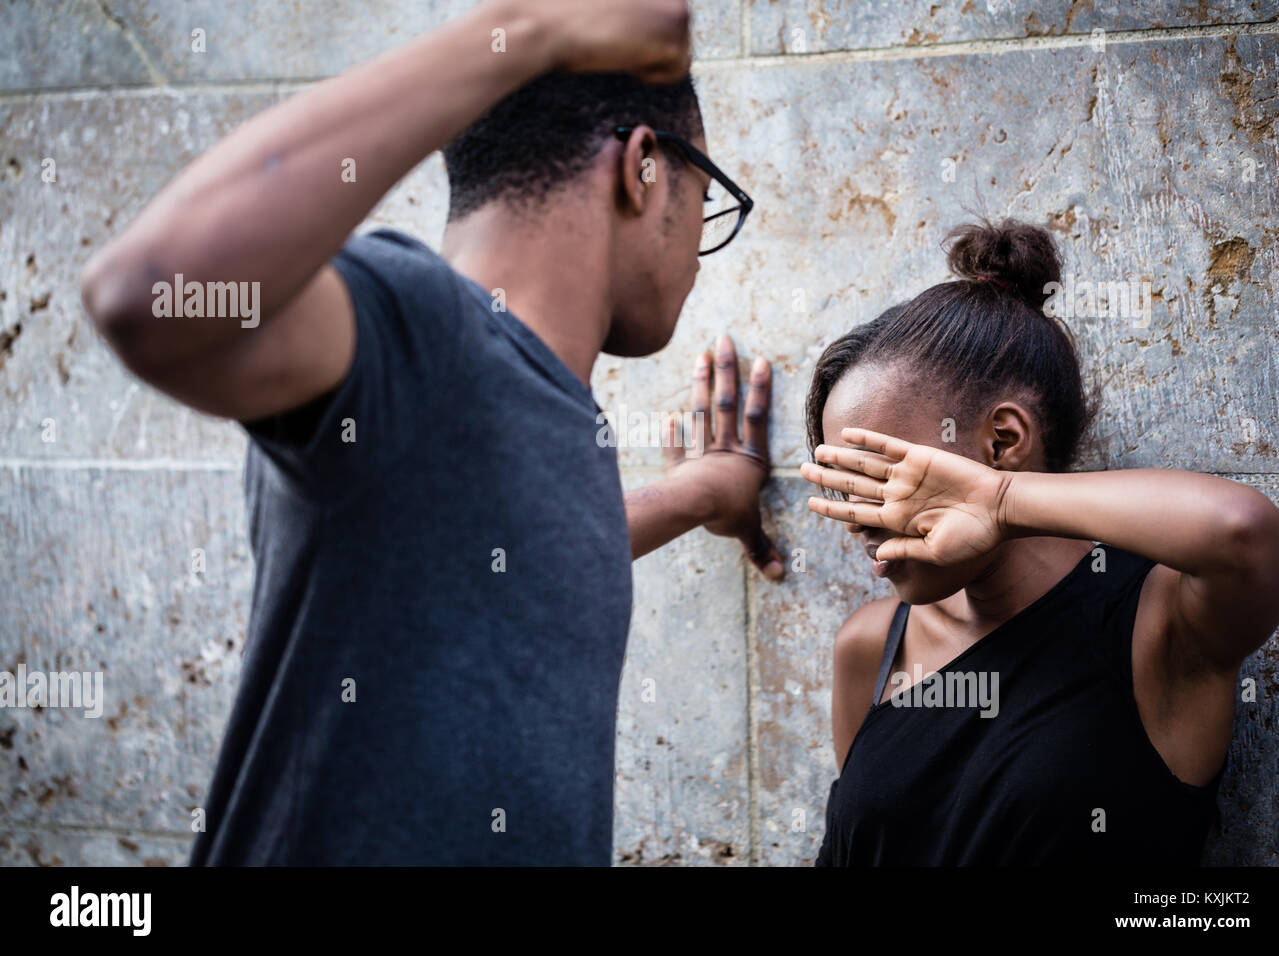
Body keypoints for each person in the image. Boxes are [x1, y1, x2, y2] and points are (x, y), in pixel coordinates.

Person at [79, 0, 781, 865]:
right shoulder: (419, 322)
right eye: (708, 201)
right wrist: (534, 30)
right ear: (644, 168)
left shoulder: (529, 397)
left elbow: (504, 545)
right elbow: (146, 294)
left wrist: (707, 491)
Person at [802, 219, 1279, 865]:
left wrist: (1001, 501)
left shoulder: (1157, 627)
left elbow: (1243, 530)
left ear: (1003, 441)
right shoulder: (871, 646)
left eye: (881, 477)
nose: (859, 518)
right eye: (844, 487)